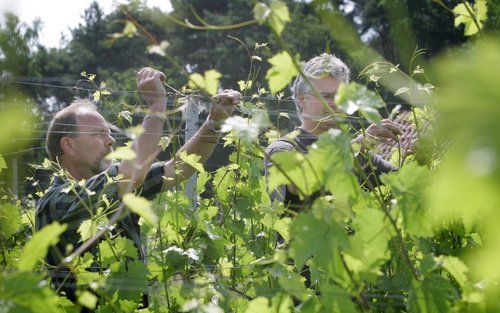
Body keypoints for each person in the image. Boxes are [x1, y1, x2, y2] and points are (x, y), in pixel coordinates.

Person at [35, 67, 241, 305]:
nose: (111, 140)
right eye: (99, 134)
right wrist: (156, 106)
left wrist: (214, 123)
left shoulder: (116, 190)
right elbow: (127, 175)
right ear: (69, 146)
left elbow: (178, 169)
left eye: (109, 133)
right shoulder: (55, 203)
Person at [265, 53, 402, 213]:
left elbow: (404, 185)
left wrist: (421, 158)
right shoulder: (283, 149)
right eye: (327, 97)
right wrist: (357, 147)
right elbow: (299, 187)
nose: (335, 104)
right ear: (302, 99)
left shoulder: (359, 155)